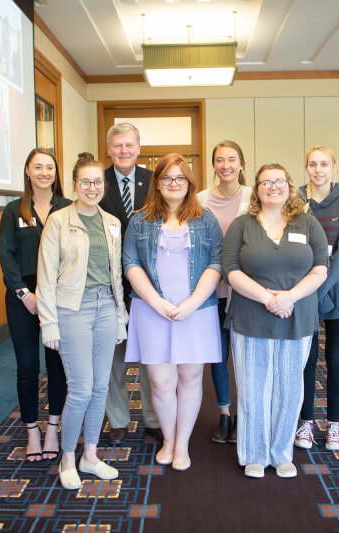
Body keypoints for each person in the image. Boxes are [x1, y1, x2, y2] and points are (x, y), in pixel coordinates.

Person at [222, 163, 328, 478]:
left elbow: (320, 268)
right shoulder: (242, 225)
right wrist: (270, 299)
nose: (273, 186)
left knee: (290, 387)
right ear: (256, 188)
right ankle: (254, 453)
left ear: (289, 185)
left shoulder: (308, 223)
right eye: (266, 182)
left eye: (279, 180)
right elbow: (231, 270)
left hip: (297, 315)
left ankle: (281, 453)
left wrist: (289, 297)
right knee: (253, 388)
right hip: (251, 316)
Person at [123, 153, 223, 471]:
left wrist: (192, 303)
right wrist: (157, 302)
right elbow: (131, 264)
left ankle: (182, 445)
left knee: (190, 376)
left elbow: (215, 263)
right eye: (167, 178)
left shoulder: (206, 219)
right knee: (161, 381)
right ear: (157, 183)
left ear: (190, 183)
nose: (174, 184)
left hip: (197, 309)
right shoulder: (139, 220)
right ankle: (168, 439)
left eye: (180, 178)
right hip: (152, 309)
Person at [36, 153, 128, 489]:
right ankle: (68, 458)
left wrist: (120, 317)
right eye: (85, 182)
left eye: (97, 182)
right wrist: (49, 323)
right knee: (80, 390)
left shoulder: (112, 222)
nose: (92, 187)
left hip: (106, 307)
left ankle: (91, 456)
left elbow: (115, 273)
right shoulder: (58, 221)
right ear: (74, 185)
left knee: (101, 387)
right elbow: (45, 277)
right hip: (72, 309)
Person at [0, 148, 70, 463]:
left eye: (49, 167)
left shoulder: (68, 208)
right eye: (37, 166)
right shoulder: (14, 211)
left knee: (57, 366)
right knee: (28, 367)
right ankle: (32, 430)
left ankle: (53, 426)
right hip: (22, 298)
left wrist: (50, 294)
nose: (44, 172)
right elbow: (7, 256)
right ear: (27, 171)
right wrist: (24, 294)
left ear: (56, 172)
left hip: (59, 297)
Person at [98, 123, 161, 444]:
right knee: (114, 359)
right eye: (117, 145)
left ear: (139, 148)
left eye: (129, 145)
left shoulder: (154, 181)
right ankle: (119, 419)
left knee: (151, 356)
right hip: (108, 284)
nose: (123, 150)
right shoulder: (98, 181)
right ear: (109, 149)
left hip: (148, 284)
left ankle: (153, 417)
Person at [296, 145, 339, 452]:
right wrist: (308, 287)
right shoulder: (296, 197)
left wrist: (320, 286)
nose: (318, 169)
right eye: (312, 164)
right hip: (304, 288)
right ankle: (305, 423)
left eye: (324, 164)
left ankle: (334, 426)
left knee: (336, 361)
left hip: (338, 286)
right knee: (307, 361)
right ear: (306, 168)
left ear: (334, 167)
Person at [196, 140, 252, 443]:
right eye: (220, 160)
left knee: (243, 355)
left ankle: (245, 414)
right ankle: (225, 414)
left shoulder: (254, 197)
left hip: (245, 291)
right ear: (214, 165)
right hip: (211, 289)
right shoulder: (201, 198)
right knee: (217, 355)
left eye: (232, 159)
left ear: (242, 164)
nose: (226, 165)